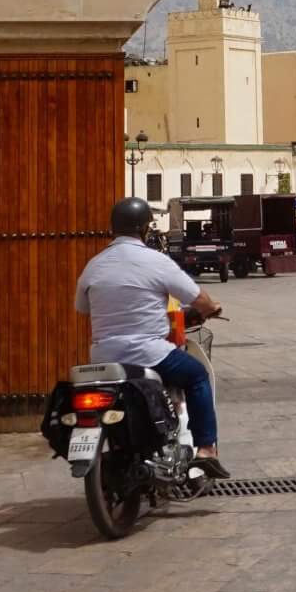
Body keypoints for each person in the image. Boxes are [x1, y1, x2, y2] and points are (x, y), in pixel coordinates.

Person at [75, 197, 229, 479]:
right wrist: (211, 308)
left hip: (104, 358)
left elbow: (82, 308)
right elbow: (198, 298)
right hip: (148, 354)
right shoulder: (157, 261)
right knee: (196, 376)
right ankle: (206, 449)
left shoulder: (93, 265)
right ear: (145, 228)